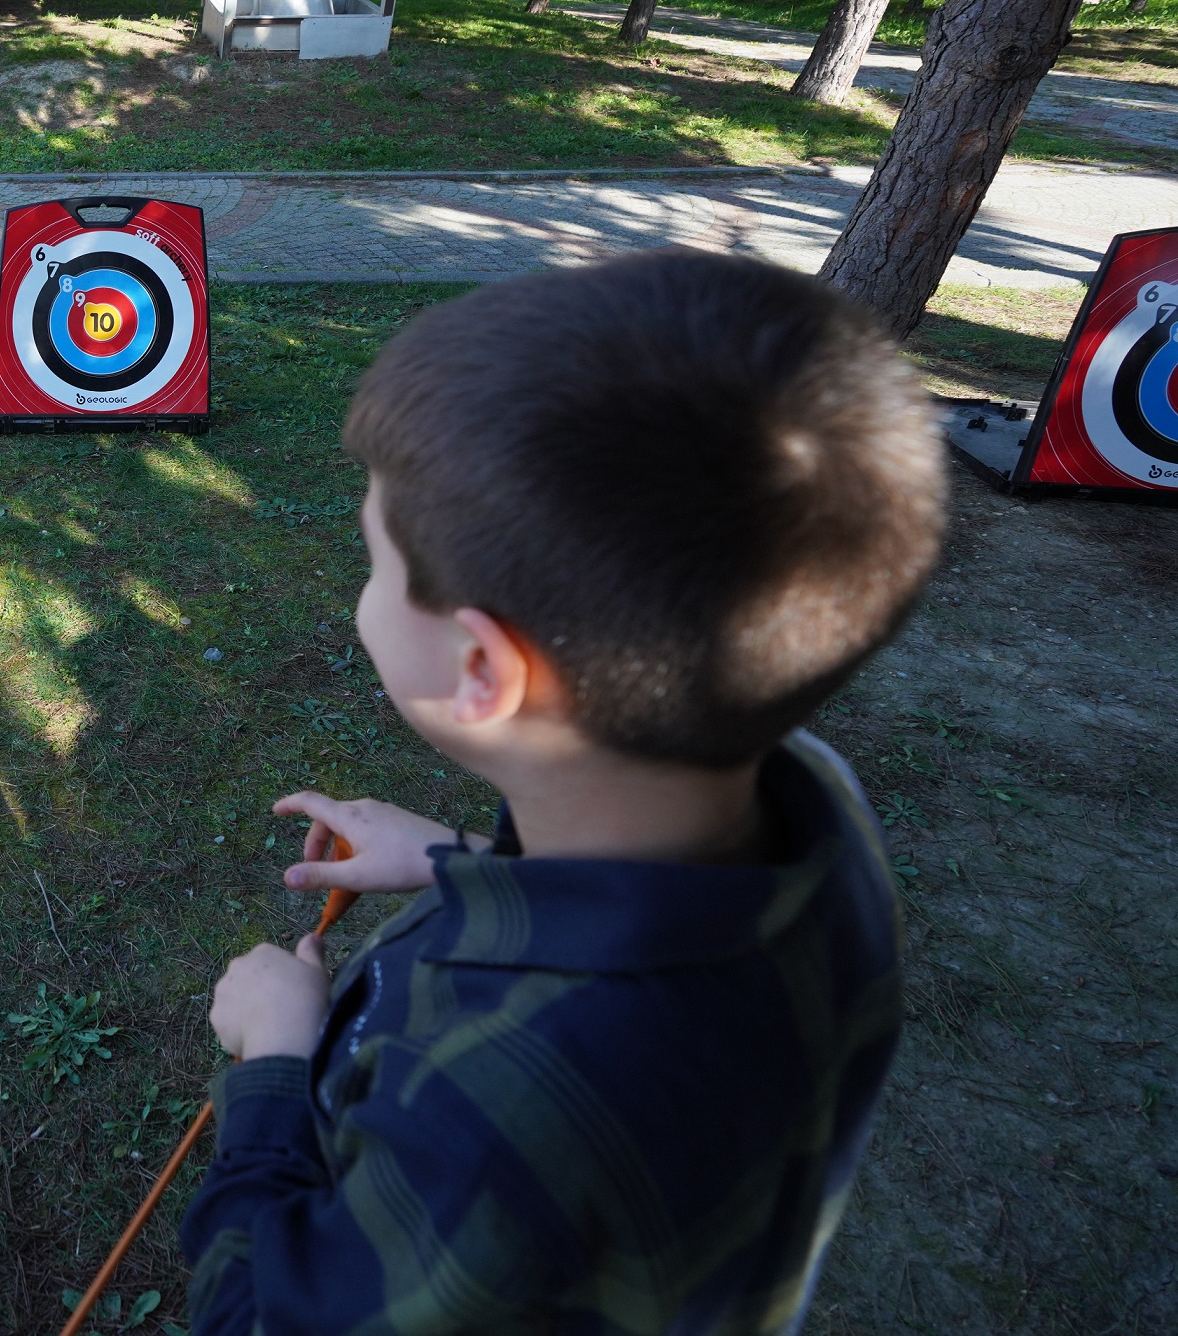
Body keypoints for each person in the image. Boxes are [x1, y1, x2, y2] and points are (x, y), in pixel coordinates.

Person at [184, 252, 947, 1336]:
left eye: (370, 564)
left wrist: (272, 1064)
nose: (361, 594)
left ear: (483, 675)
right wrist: (458, 857)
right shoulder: (812, 799)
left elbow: (263, 1318)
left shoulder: (498, 1110)